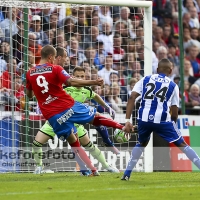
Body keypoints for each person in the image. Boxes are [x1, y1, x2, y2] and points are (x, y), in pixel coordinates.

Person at [26, 45, 127, 176]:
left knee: (75, 142)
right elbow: (71, 82)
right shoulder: (56, 69)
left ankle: (97, 168)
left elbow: (29, 95)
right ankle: (121, 128)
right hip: (68, 108)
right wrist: (94, 82)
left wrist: (43, 95)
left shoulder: (30, 73)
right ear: (51, 57)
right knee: (95, 118)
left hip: (52, 116)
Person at [121, 58, 200, 180]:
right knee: (182, 144)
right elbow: (174, 112)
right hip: (163, 121)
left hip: (144, 119)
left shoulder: (145, 79)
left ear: (157, 69)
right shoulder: (173, 85)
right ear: (171, 70)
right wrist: (171, 125)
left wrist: (127, 121)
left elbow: (132, 97)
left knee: (141, 143)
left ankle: (126, 174)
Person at [33, 66, 119, 174]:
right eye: (77, 76)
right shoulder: (65, 88)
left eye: (82, 76)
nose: (80, 78)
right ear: (72, 77)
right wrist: (39, 104)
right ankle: (39, 167)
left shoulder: (86, 90)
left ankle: (106, 166)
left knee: (89, 145)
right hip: (55, 121)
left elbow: (96, 96)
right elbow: (48, 94)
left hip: (75, 123)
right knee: (36, 143)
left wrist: (107, 107)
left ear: (85, 77)